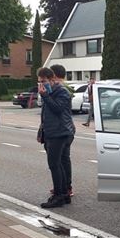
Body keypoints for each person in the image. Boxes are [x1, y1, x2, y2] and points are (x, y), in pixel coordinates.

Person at [36, 67, 74, 209]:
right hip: (52, 132)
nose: (41, 84)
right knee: (58, 164)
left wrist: (45, 96)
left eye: (44, 81)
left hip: (59, 133)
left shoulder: (61, 92)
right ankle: (63, 194)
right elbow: (45, 115)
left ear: (52, 79)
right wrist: (42, 132)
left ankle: (59, 195)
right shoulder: (49, 92)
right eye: (39, 82)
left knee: (55, 165)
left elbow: (58, 109)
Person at [49, 64, 74, 198]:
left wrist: (47, 95)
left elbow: (57, 109)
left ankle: (65, 187)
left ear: (54, 75)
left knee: (61, 160)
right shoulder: (58, 88)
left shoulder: (61, 89)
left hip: (63, 129)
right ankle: (63, 186)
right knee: (63, 159)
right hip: (65, 128)